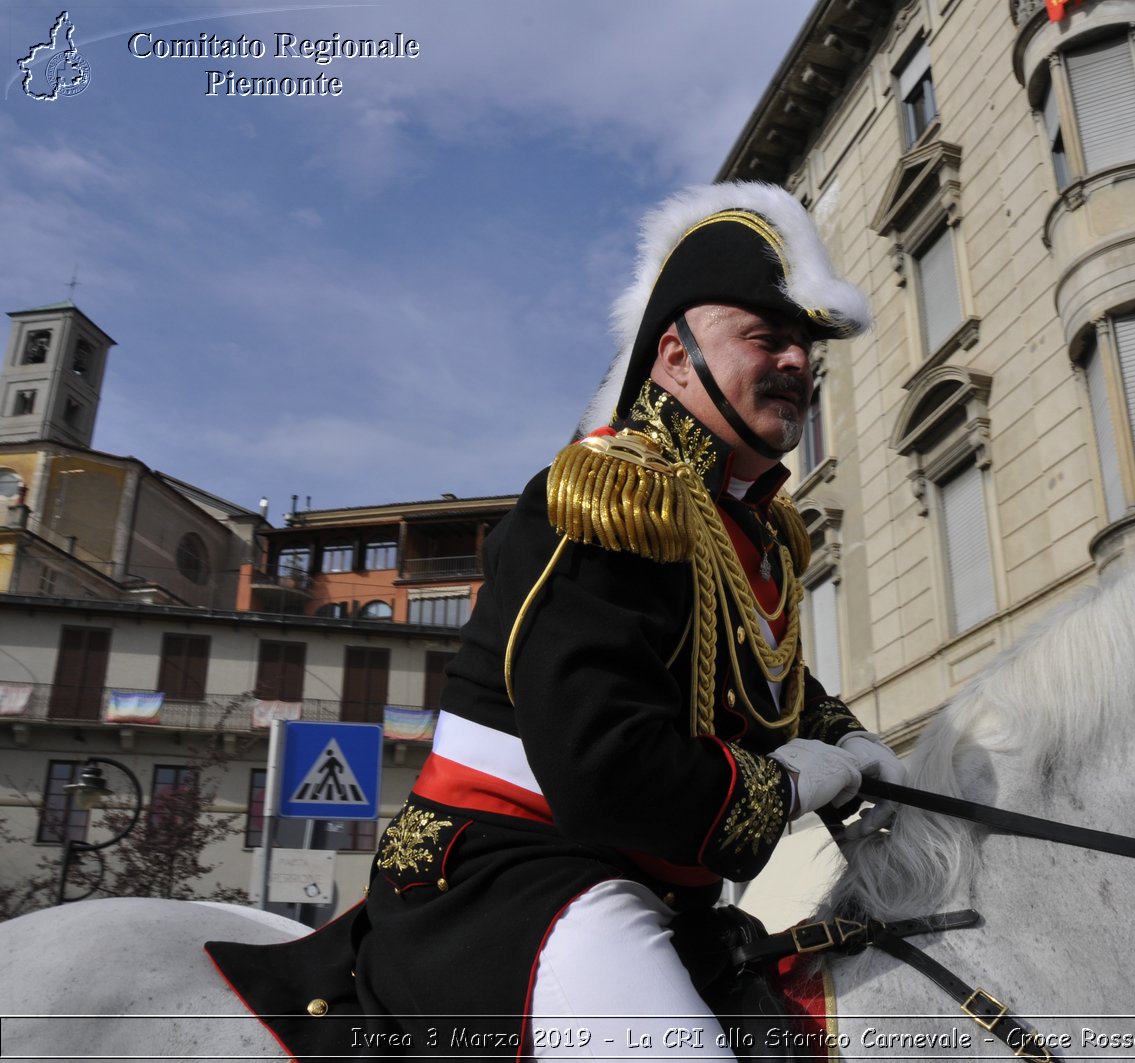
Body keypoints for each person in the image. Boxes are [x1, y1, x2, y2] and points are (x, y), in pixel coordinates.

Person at [207, 183, 904, 1058]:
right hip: (514, 873)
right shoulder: (613, 495)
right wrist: (794, 783)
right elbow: (603, 763)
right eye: (768, 338)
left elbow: (760, 683)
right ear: (675, 358)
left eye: (807, 346)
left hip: (656, 890)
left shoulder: (750, 530)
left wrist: (855, 743)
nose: (800, 362)